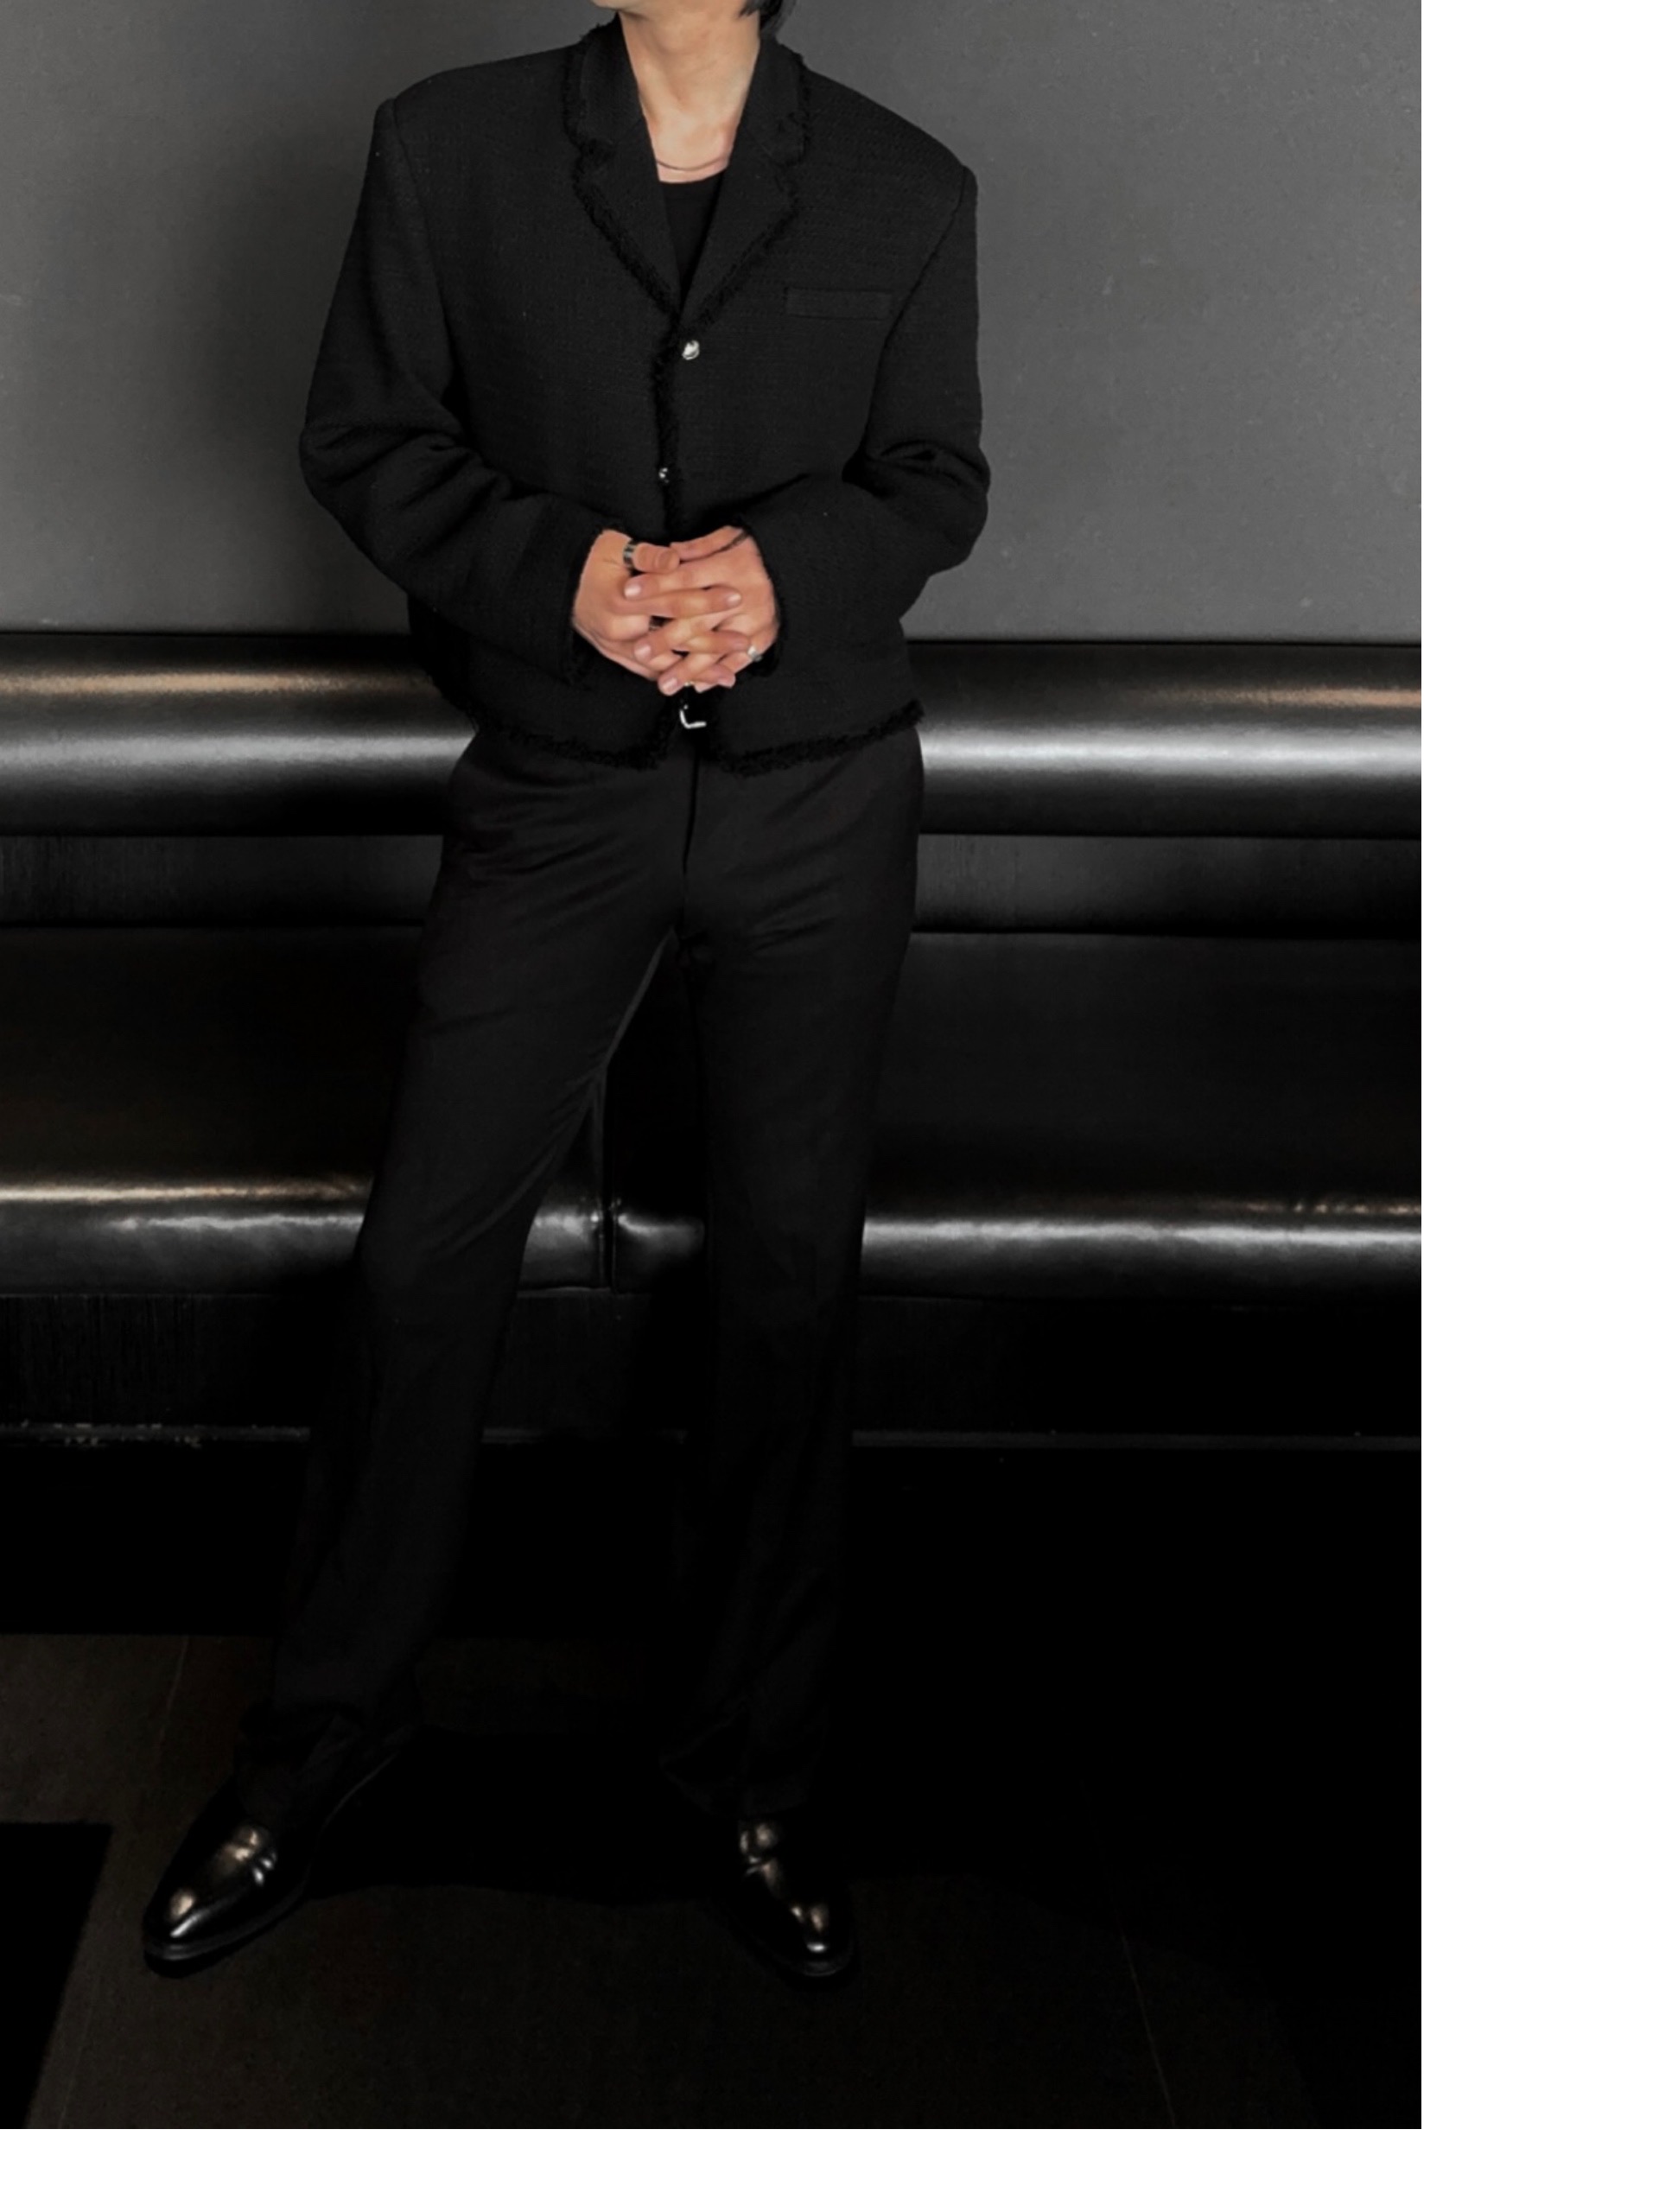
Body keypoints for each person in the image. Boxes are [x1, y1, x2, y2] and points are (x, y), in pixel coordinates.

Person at [141, 0, 988, 1990]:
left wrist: (785, 570)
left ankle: (752, 1769)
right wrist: (566, 572)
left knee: (789, 1278)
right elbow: (363, 435)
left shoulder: (909, 184)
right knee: (423, 1258)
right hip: (553, 787)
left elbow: (935, 478)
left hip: (816, 800)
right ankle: (319, 1745)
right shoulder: (445, 148)